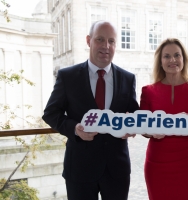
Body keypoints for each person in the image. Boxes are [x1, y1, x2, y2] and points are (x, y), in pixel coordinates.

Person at [42, 21, 139, 200]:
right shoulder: (68, 76)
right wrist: (74, 129)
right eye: (100, 39)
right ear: (88, 40)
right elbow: (50, 113)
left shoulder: (128, 78)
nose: (106, 46)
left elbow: (134, 114)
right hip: (79, 168)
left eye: (111, 41)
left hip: (116, 170)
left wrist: (131, 126)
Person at [140, 38, 188, 200]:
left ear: (184, 59)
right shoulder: (148, 91)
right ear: (160, 61)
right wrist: (150, 132)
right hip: (156, 163)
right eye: (167, 56)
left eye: (177, 55)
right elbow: (142, 127)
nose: (172, 60)